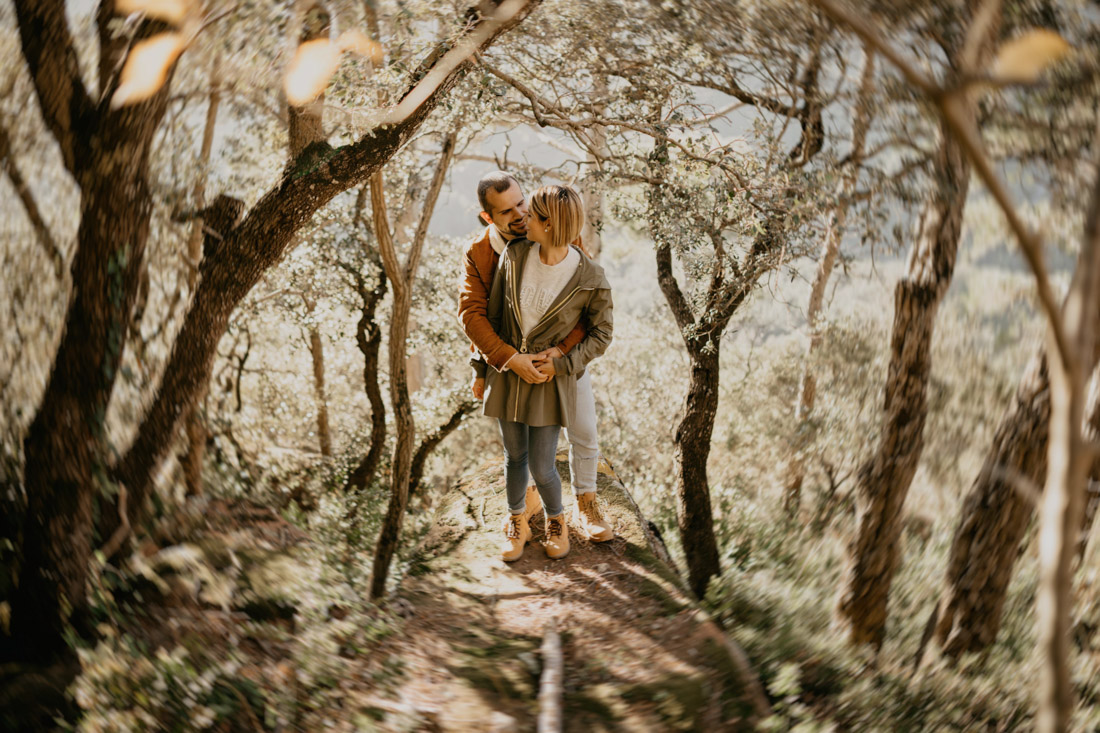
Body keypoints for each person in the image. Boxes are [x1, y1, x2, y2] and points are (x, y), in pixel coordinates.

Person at [459, 172, 615, 560]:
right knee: (516, 452)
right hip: (508, 362)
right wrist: (498, 363)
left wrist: (559, 357)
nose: (519, 214)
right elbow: (476, 315)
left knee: (583, 430)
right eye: (507, 211)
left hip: (560, 360)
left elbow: (585, 316)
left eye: (522, 204)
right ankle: (521, 512)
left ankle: (584, 503)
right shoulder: (486, 253)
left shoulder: (562, 239)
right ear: (487, 217)